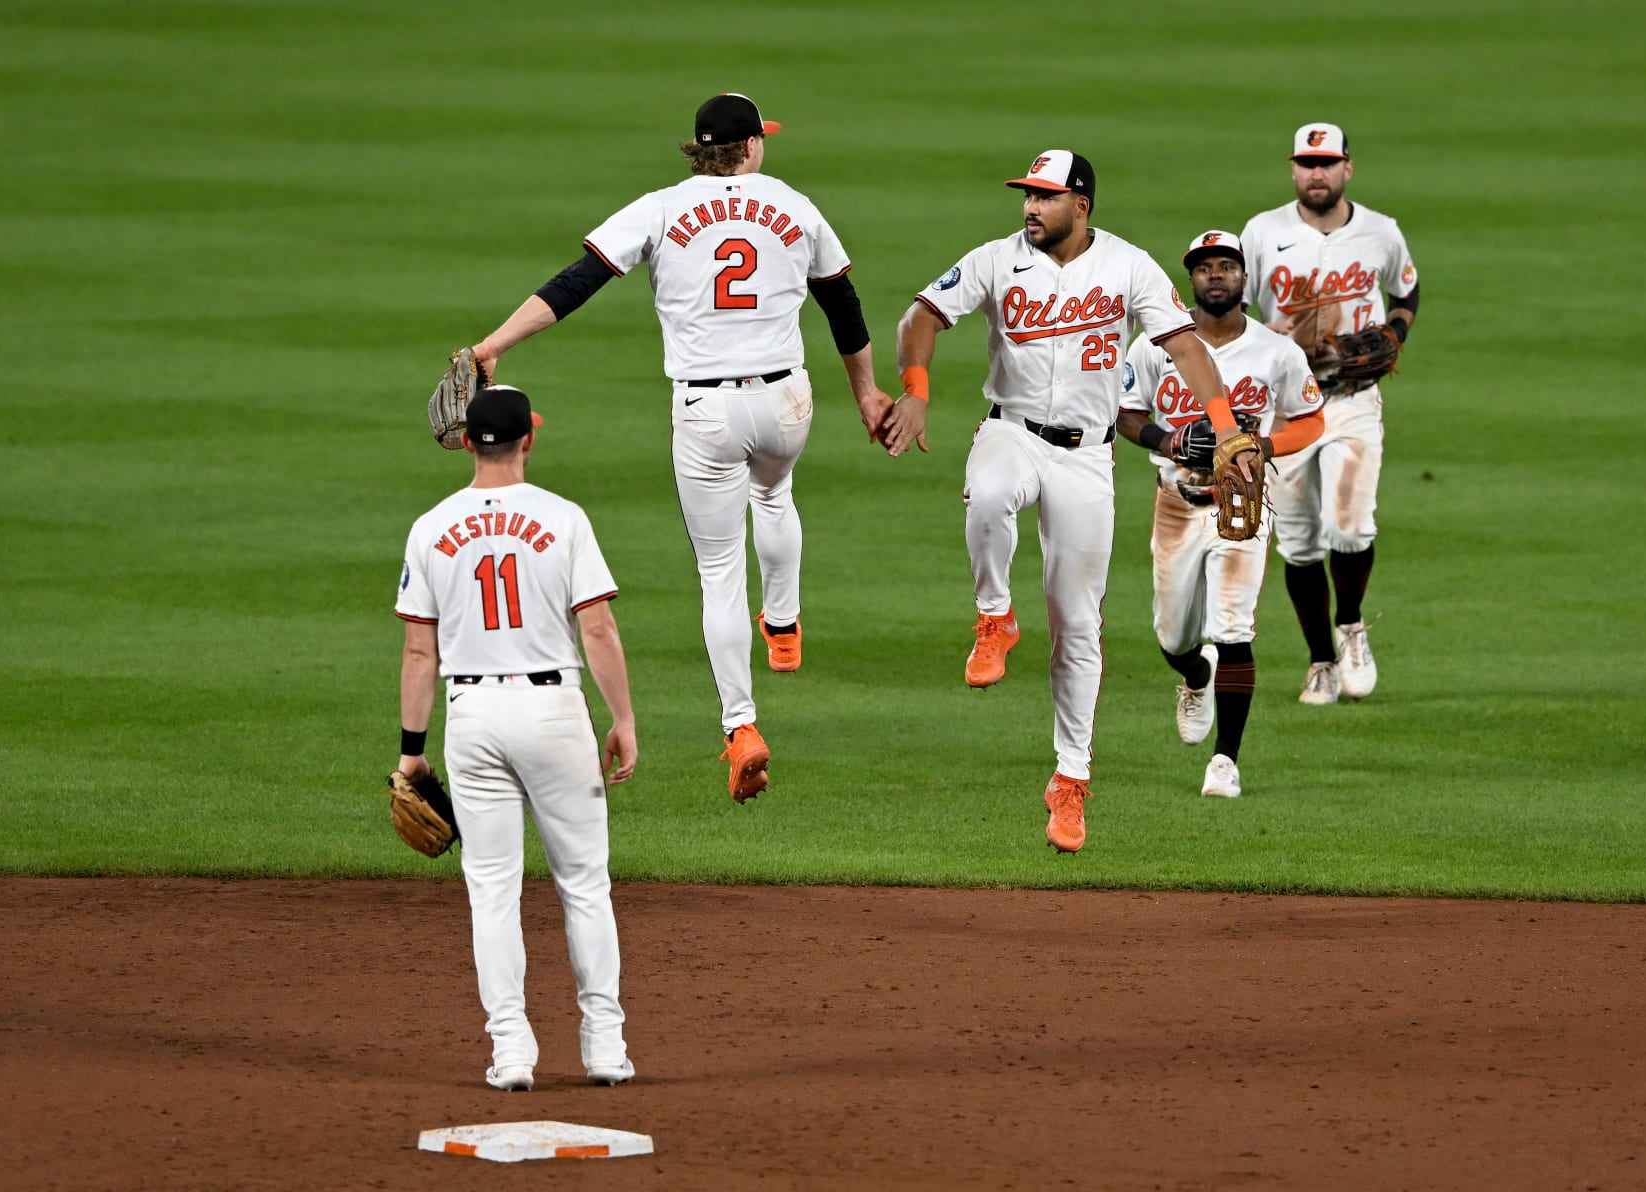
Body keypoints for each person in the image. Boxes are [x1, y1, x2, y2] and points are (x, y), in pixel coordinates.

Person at [464, 92, 893, 803]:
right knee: (776, 492)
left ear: (701, 150)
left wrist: (494, 343)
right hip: (787, 402)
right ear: (751, 147)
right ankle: (783, 624)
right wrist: (869, 394)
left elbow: (579, 283)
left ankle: (741, 726)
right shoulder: (794, 204)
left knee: (721, 567)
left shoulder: (660, 208)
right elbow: (841, 304)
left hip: (706, 410)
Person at [890, 150, 1244, 852]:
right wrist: (917, 390)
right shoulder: (996, 259)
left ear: (1080, 206)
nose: (1029, 207)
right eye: (1026, 195)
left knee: (1078, 625)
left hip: (1087, 457)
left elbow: (1187, 348)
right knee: (988, 492)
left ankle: (1070, 781)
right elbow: (920, 318)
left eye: (1045, 197)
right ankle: (994, 617)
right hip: (1011, 431)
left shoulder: (1128, 266)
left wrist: (1227, 428)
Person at [394, 385, 638, 1092]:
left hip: (471, 717)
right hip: (553, 711)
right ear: (529, 438)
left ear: (467, 441)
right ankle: (605, 1048)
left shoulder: (430, 527)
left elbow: (419, 654)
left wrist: (413, 750)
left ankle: (511, 1053)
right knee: (585, 884)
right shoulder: (564, 519)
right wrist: (621, 719)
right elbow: (597, 629)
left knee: (492, 892)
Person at [1117, 231, 1325, 798]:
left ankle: (1225, 762)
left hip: (1244, 506)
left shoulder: (1276, 350)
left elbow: (1310, 418)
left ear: (1244, 279)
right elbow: (1125, 412)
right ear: (1191, 280)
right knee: (1173, 635)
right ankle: (1194, 676)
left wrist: (1264, 448)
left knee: (1234, 627)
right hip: (1175, 506)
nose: (1215, 275)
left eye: (1226, 266)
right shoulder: (1154, 345)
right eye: (1204, 267)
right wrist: (1169, 442)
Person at [1239, 122, 1420, 705]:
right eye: (1306, 162)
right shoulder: (1262, 233)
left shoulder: (1380, 232)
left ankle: (1352, 628)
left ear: (1348, 168)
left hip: (1351, 402)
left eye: (1328, 162)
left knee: (1350, 526)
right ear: (1293, 170)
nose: (1317, 173)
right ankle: (1320, 661)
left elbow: (1407, 291)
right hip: (1286, 409)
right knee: (1296, 541)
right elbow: (1229, 310)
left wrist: (1393, 332)